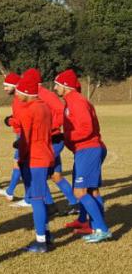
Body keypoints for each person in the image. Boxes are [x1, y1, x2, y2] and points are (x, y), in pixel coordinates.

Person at [54, 70, 112, 243]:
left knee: (79, 191)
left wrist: (65, 137)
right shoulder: (71, 101)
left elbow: (86, 129)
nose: (55, 87)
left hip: (89, 149)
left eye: (57, 84)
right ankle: (94, 225)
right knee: (92, 191)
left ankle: (101, 229)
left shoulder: (77, 102)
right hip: (87, 150)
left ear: (65, 86)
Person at [12, 72, 55, 253]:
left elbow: (26, 139)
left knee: (36, 199)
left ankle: (41, 241)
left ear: (26, 92)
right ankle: (46, 234)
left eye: (18, 91)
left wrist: (19, 157)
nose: (16, 94)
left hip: (35, 158)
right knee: (41, 197)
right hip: (46, 154)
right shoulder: (44, 106)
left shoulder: (29, 110)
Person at [29, 69, 78, 213]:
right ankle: (74, 203)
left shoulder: (44, 94)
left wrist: (50, 127)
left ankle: (50, 206)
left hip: (52, 140)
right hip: (47, 140)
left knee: (39, 174)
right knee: (55, 175)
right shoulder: (35, 95)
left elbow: (61, 111)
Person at [0, 73, 26, 204]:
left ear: (14, 85)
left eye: (7, 86)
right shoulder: (18, 98)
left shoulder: (20, 98)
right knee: (19, 163)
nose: (5, 88)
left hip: (23, 135)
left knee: (19, 164)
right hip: (20, 134)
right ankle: (10, 191)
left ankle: (27, 197)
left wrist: (11, 121)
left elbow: (23, 119)